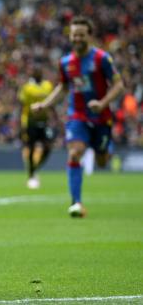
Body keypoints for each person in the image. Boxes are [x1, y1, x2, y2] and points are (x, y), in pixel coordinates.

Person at [32, 16, 124, 217]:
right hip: (78, 115)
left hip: (102, 117)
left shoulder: (102, 59)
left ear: (89, 36)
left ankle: (105, 148)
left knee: (102, 161)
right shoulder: (65, 62)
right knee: (74, 153)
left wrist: (102, 103)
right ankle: (76, 203)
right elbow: (63, 88)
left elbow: (119, 85)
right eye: (74, 35)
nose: (77, 38)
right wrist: (45, 105)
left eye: (81, 35)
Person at [18, 66, 55, 189]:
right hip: (31, 120)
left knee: (48, 146)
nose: (38, 72)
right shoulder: (27, 87)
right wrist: (23, 123)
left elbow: (51, 102)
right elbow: (22, 104)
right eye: (36, 71)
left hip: (44, 121)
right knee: (31, 147)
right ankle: (31, 174)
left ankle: (35, 168)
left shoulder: (48, 85)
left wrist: (53, 118)